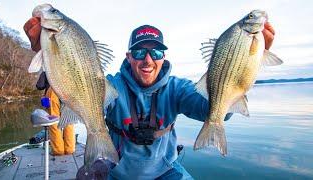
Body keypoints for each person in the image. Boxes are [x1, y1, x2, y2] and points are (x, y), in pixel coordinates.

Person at [23, 18, 275, 179]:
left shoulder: (178, 88)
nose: (147, 59)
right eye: (139, 51)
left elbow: (210, 107)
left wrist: (245, 64)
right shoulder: (109, 85)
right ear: (129, 56)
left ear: (163, 56)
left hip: (167, 172)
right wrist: (51, 56)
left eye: (155, 51)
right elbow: (80, 87)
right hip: (118, 173)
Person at [25, 20, 76, 156]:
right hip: (68, 92)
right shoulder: (68, 62)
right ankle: (70, 149)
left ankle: (58, 150)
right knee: (68, 121)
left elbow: (39, 86)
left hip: (53, 92)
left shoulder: (48, 65)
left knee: (54, 122)